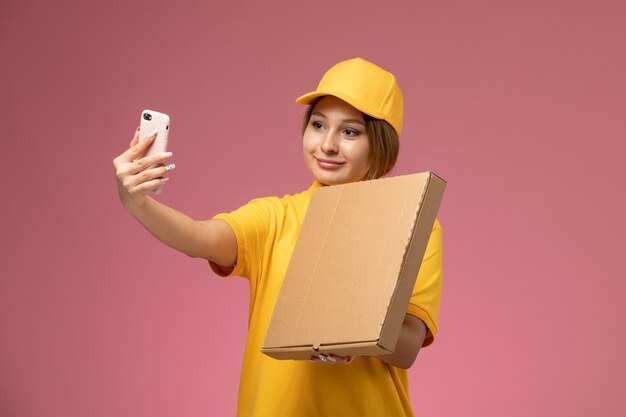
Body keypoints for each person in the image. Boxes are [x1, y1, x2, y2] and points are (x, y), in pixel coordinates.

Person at [113, 57, 442, 417]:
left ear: (380, 143)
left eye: (350, 131)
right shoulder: (276, 217)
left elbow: (408, 346)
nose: (327, 145)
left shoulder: (413, 220)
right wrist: (137, 203)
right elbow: (200, 237)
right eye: (318, 125)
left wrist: (356, 333)